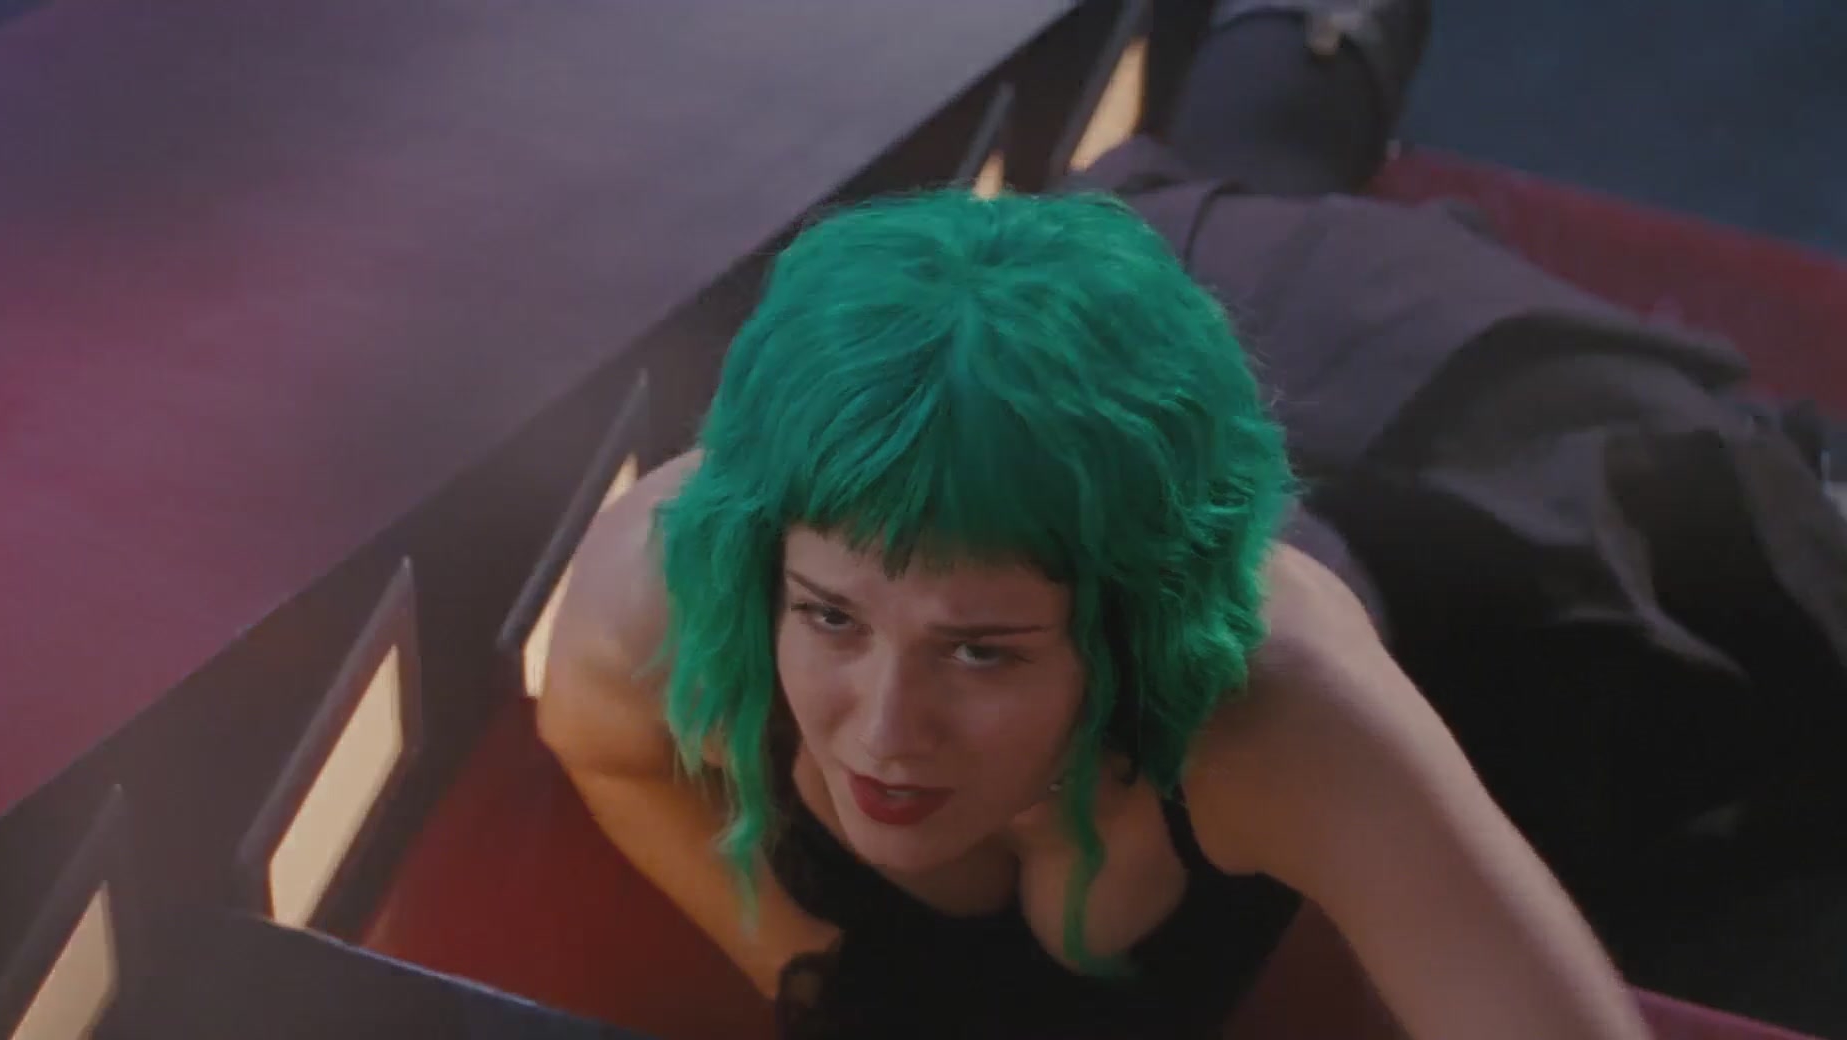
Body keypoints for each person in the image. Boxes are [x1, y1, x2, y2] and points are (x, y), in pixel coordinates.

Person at [535, 3, 1675, 1037]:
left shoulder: (1285, 707)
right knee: (1226, 185)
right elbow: (598, 743)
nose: (884, 730)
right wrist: (807, 971)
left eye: (980, 650)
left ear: (1127, 629)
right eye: (832, 617)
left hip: (1399, 432)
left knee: (1682, 517)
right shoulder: (669, 580)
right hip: (1091, 336)